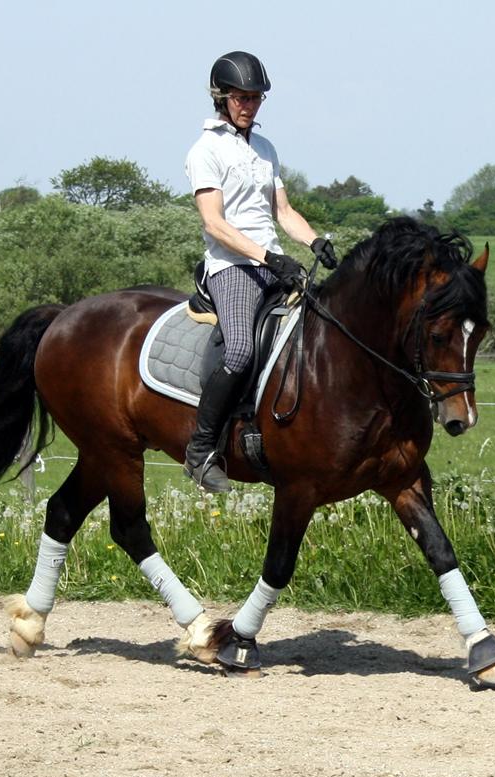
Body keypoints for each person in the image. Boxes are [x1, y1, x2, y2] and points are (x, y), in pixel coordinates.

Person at [183, 50, 337, 493]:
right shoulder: (205, 150)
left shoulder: (265, 149)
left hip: (272, 262)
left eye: (255, 98)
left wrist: (313, 241)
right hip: (232, 268)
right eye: (240, 97)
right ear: (221, 98)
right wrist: (268, 259)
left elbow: (283, 212)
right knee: (239, 354)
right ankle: (201, 449)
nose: (248, 105)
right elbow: (214, 223)